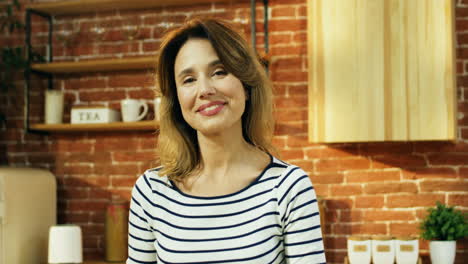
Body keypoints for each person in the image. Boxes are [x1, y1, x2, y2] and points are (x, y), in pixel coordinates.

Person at [127, 18, 326, 264]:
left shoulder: (288, 189)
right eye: (188, 80)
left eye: (219, 71)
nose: (204, 90)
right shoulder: (151, 192)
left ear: (246, 85)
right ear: (176, 100)